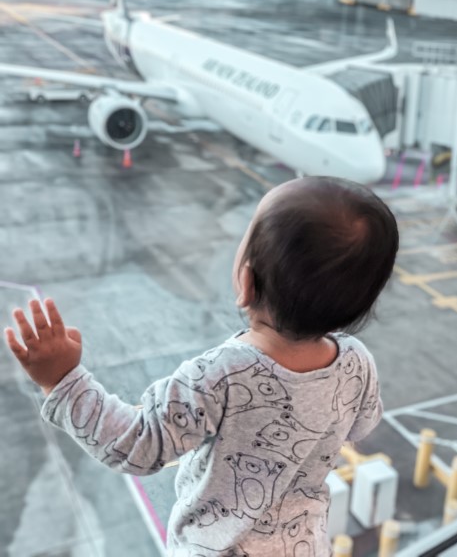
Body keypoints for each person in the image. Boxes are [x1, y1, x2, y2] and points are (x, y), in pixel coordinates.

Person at [4, 176, 399, 557]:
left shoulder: (219, 377)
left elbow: (135, 444)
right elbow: (361, 425)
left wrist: (63, 381)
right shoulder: (357, 363)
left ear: (246, 282)